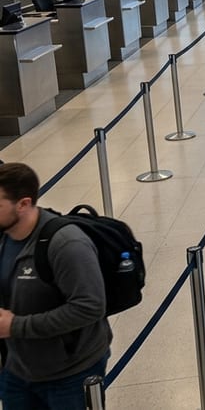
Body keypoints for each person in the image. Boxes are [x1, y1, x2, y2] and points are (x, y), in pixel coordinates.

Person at [0, 163, 111, 409]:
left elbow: (90, 306)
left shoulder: (66, 243)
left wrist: (16, 326)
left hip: (70, 375)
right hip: (17, 370)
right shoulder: (5, 238)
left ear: (23, 204)